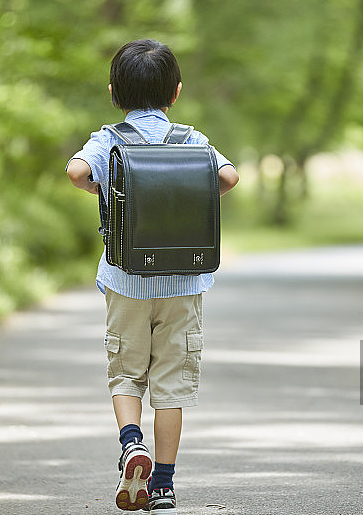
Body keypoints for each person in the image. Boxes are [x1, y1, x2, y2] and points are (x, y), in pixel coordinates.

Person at [65, 38, 239, 513]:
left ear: (113, 92)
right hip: (184, 283)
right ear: (175, 93)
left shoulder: (109, 140)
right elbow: (228, 178)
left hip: (125, 281)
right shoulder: (193, 140)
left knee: (125, 373)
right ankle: (162, 484)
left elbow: (76, 171)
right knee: (172, 385)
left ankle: (130, 443)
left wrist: (109, 191)